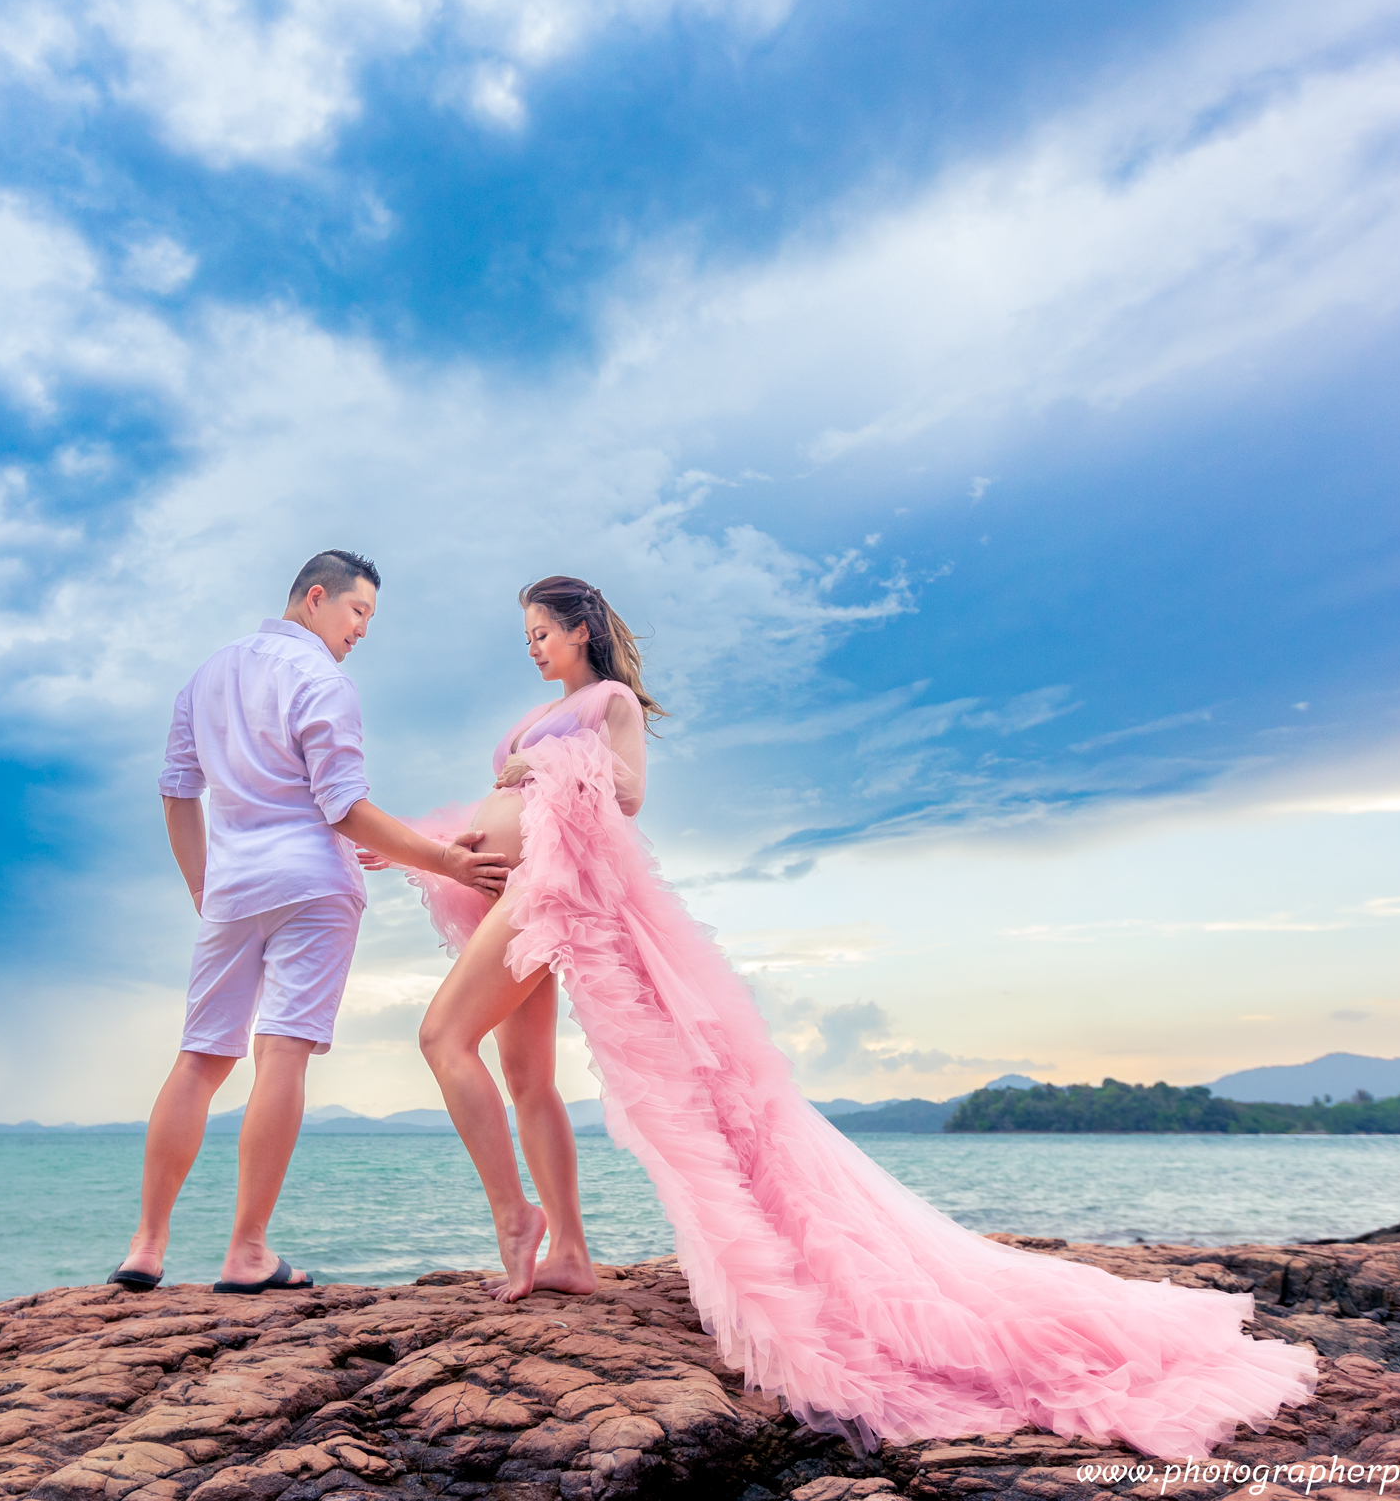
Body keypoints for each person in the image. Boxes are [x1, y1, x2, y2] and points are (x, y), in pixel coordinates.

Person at [382, 575, 1319, 1459]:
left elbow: (623, 797)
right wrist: (441, 846)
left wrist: (549, 781)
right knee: (528, 1076)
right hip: (508, 885)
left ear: (580, 628)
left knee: (442, 1037)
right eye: (526, 637)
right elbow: (499, 804)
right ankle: (574, 1255)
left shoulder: (608, 706)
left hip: (558, 890)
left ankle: (519, 1220)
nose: (533, 647)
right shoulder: (525, 718)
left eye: (541, 632)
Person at [110, 549, 510, 1295]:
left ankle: (147, 1246)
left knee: (199, 1057)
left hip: (232, 890)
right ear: (316, 598)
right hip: (313, 887)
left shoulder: (206, 676)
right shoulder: (322, 680)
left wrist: (207, 890)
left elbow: (175, 793)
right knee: (281, 1055)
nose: (362, 631)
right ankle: (247, 1252)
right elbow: (343, 807)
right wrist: (444, 862)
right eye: (358, 612)